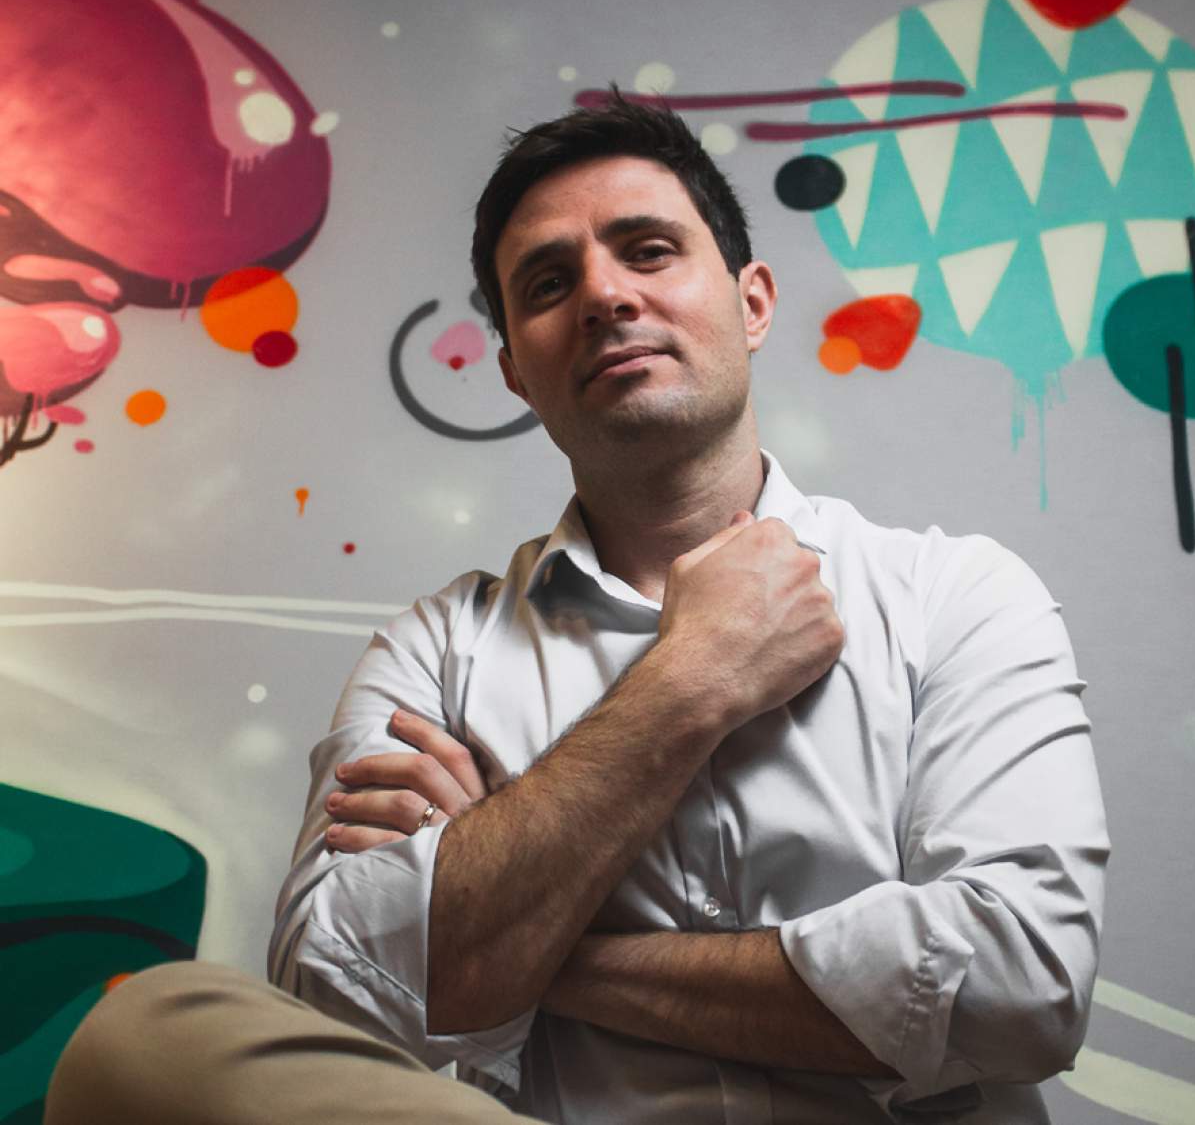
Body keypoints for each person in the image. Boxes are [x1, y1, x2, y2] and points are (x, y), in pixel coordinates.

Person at [46, 93, 1108, 1125]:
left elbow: (1020, 989)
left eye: (648, 251)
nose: (604, 295)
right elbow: (339, 994)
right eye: (549, 283)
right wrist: (689, 680)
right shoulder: (433, 653)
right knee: (155, 1029)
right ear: (515, 371)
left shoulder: (958, 596)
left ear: (751, 303)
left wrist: (522, 938)